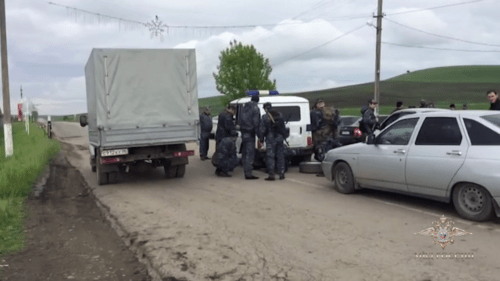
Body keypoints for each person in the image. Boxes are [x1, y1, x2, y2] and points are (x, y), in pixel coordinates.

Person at [259, 102, 289, 181]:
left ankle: (271, 175)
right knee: (280, 156)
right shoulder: (279, 114)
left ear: (265, 108)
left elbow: (262, 129)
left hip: (270, 138)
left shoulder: (265, 117)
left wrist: (261, 138)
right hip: (280, 137)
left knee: (270, 156)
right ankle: (281, 173)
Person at [239, 95, 261, 180]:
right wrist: (259, 135)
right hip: (250, 133)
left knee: (245, 153)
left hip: (244, 133)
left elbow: (240, 120)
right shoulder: (255, 108)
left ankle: (246, 170)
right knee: (250, 154)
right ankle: (248, 174)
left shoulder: (244, 107)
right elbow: (256, 122)